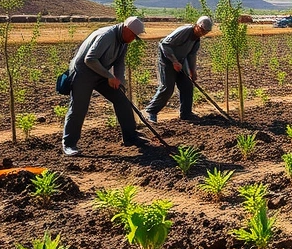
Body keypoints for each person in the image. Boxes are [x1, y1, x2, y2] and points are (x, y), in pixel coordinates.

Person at [61, 16, 147, 156]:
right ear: (125, 28)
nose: (132, 39)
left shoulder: (123, 41)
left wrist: (120, 81)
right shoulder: (106, 36)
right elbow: (89, 59)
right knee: (79, 107)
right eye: (132, 35)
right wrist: (109, 76)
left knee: (122, 100)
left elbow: (119, 63)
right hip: (83, 73)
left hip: (101, 73)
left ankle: (130, 137)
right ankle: (69, 144)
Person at [144, 16, 212, 123]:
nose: (203, 33)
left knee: (187, 85)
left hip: (180, 62)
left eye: (206, 32)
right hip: (167, 60)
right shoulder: (184, 31)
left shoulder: (196, 40)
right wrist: (174, 61)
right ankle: (151, 112)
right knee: (167, 88)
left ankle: (186, 113)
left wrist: (193, 71)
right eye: (202, 30)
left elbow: (191, 55)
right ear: (196, 25)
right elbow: (165, 44)